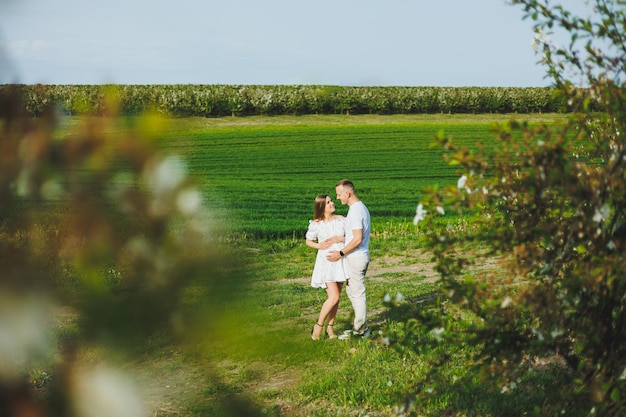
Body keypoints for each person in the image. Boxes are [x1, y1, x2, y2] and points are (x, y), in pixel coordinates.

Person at [327, 179, 371, 339]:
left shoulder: (355, 211)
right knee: (353, 291)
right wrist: (340, 238)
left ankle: (361, 331)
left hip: (356, 258)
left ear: (348, 193)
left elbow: (358, 239)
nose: (338, 198)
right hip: (357, 256)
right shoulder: (359, 208)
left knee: (357, 293)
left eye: (339, 195)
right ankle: (361, 327)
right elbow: (355, 235)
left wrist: (340, 253)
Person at [305, 194, 347, 340]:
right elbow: (308, 241)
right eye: (328, 202)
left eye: (332, 201)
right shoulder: (317, 223)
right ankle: (318, 326)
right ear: (322, 206)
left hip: (341, 260)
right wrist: (319, 245)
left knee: (337, 297)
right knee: (333, 297)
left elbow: (351, 237)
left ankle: (330, 328)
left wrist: (338, 239)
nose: (332, 203)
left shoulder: (341, 219)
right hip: (327, 262)